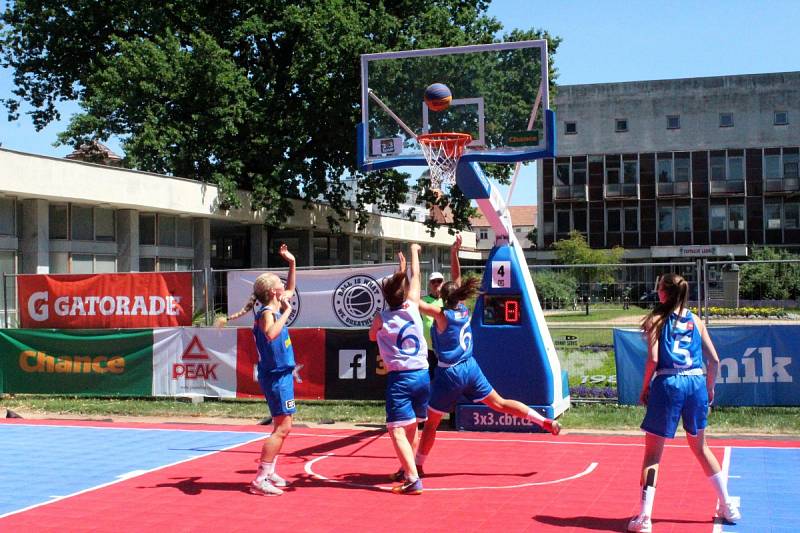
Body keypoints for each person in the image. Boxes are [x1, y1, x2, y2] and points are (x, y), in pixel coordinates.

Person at [391, 238, 560, 481]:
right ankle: (542, 420)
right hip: (471, 366)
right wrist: (454, 253)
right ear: (458, 296)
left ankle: (417, 466)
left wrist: (408, 266)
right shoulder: (462, 309)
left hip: (450, 372)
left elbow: (412, 299)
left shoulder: (442, 314)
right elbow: (457, 281)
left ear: (443, 298)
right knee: (500, 403)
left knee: (431, 424)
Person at [627, 273, 741, 532]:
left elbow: (654, 360)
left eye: (658, 289)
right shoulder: (697, 321)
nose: (657, 293)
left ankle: (645, 519)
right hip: (695, 383)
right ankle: (728, 507)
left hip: (669, 384)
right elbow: (714, 361)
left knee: (653, 455)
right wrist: (709, 389)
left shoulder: (656, 320)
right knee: (701, 448)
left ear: (665, 293)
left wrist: (645, 388)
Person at [215, 244, 298, 496]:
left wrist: (292, 263)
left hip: (280, 375)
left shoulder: (273, 306)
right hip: (275, 377)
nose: (285, 288)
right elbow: (271, 334)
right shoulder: (267, 314)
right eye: (280, 285)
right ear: (274, 292)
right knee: (282, 428)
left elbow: (291, 290)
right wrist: (288, 312)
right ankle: (260, 478)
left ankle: (269, 471)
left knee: (283, 426)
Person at [369, 244, 430, 495]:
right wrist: (415, 252)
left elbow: (373, 337)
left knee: (395, 428)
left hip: (401, 377)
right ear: (405, 293)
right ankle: (408, 469)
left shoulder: (382, 318)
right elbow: (416, 278)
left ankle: (413, 479)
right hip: (423, 374)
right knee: (412, 425)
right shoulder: (414, 306)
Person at [421, 236, 461, 375]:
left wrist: (454, 254)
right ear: (429, 284)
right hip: (430, 349)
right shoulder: (425, 300)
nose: (437, 284)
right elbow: (457, 280)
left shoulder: (450, 302)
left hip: (446, 349)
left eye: (439, 281)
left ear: (444, 283)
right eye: (434, 281)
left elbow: (456, 279)